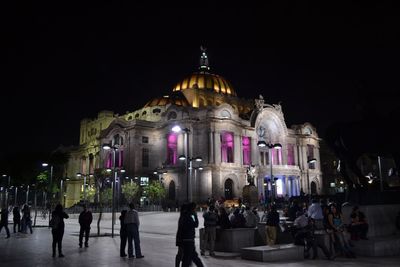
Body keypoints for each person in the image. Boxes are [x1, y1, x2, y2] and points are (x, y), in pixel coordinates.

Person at [179, 202, 204, 267]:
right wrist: (195, 216)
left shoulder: (184, 215)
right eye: (195, 208)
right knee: (191, 257)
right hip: (189, 239)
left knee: (188, 257)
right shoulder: (191, 215)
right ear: (193, 208)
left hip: (185, 239)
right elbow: (196, 224)